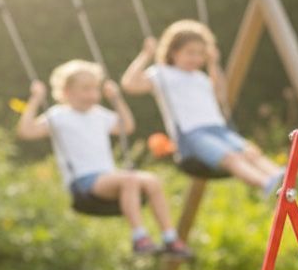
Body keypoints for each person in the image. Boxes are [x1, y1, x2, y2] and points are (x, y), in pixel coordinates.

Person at [16, 59, 193, 259]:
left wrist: (117, 99)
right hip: (84, 182)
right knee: (130, 179)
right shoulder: (59, 116)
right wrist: (36, 99)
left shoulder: (99, 115)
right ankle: (140, 238)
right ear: (66, 92)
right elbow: (26, 131)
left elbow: (127, 126)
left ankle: (170, 238)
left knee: (152, 181)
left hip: (108, 177)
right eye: (85, 89)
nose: (92, 95)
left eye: (95, 89)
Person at [121, 20, 284, 197]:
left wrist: (213, 64)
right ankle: (267, 184)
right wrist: (146, 55)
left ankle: (281, 176)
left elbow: (221, 96)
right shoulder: (162, 73)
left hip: (218, 128)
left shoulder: (201, 77)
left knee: (251, 153)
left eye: (200, 53)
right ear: (173, 52)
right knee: (231, 158)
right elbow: (129, 84)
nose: (196, 58)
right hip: (192, 134)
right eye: (190, 53)